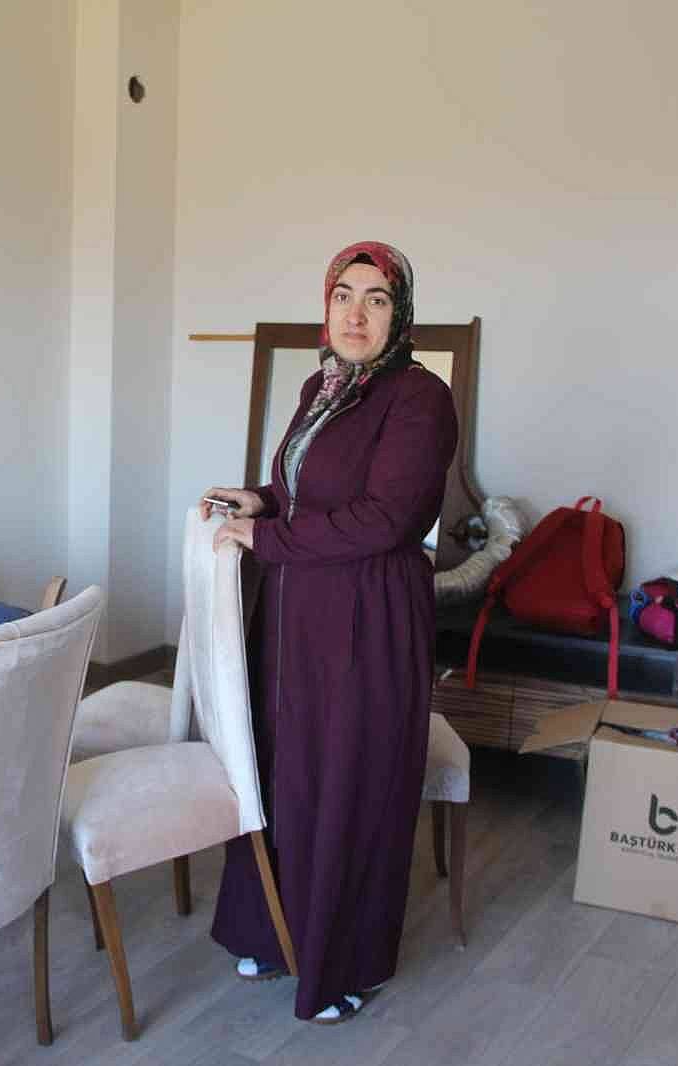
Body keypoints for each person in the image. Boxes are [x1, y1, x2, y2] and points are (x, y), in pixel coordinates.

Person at [200, 240, 458, 1024]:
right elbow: (301, 486)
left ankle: (344, 963)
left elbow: (386, 519)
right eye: (344, 295)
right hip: (299, 614)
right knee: (288, 772)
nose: (356, 313)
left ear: (399, 314)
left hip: (368, 618)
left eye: (376, 299)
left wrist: (267, 538)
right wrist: (260, 501)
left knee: (350, 782)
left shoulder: (420, 398)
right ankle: (274, 932)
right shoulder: (324, 384)